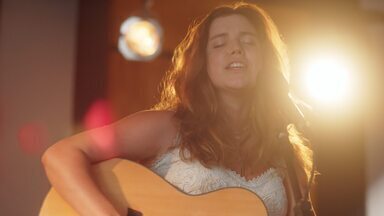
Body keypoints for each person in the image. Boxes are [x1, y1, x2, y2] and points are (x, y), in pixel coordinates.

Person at [42, 2, 314, 216]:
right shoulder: (168, 127)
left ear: (266, 61)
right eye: (219, 43)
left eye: (248, 41)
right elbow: (60, 155)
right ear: (202, 64)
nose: (236, 50)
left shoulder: (287, 158)